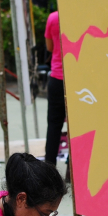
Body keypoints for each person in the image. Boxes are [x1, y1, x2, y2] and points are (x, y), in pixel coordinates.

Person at [44, 11, 65, 167]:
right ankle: (74, 165)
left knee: (54, 125)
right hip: (79, 80)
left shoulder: (53, 17)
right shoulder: (81, 13)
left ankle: (50, 168)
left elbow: (50, 47)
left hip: (57, 77)